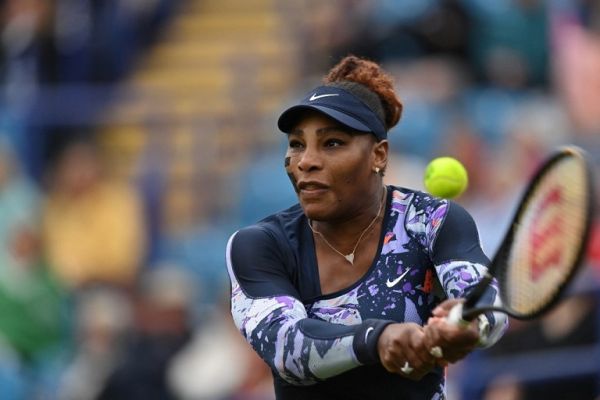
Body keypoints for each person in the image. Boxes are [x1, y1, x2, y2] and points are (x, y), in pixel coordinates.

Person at [226, 55, 508, 400]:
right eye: (297, 143)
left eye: (332, 143)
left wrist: (468, 323)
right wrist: (380, 338)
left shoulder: (432, 221)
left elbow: (486, 304)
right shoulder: (258, 245)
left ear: (379, 155)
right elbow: (287, 349)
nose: (306, 161)